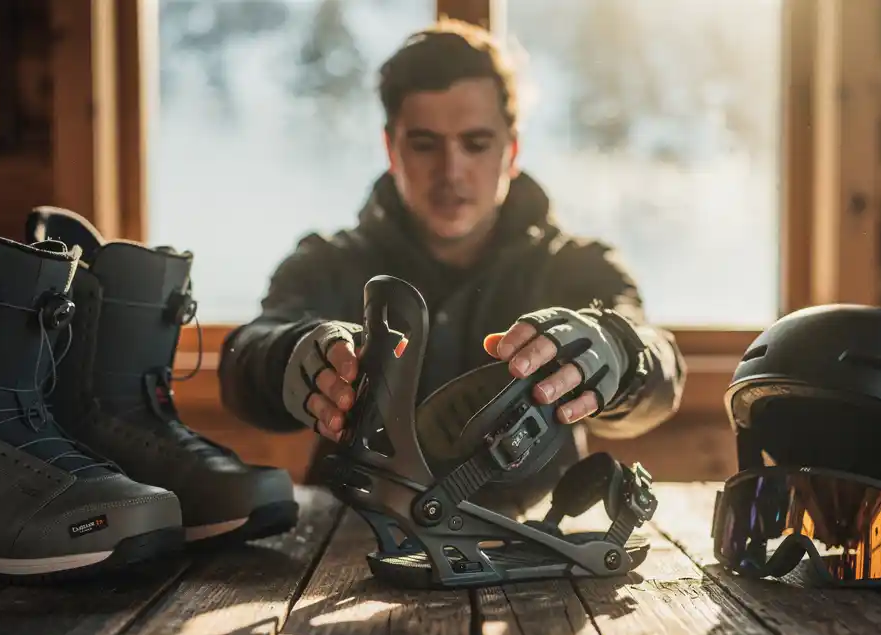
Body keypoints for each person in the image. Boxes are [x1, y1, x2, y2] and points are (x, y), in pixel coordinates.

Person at [218, 18, 687, 509]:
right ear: (390, 148)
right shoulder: (326, 263)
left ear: (512, 150)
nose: (451, 170)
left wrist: (619, 351)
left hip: (537, 540)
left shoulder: (578, 268)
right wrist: (289, 354)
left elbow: (661, 367)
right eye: (425, 144)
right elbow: (243, 361)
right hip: (353, 536)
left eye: (476, 143)